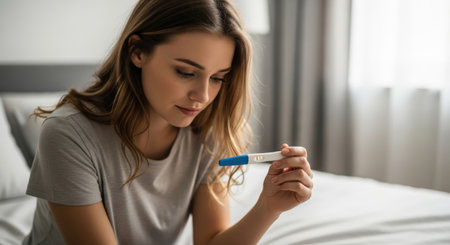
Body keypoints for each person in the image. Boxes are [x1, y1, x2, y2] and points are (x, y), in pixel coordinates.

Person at [23, 0, 314, 244]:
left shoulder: (206, 133)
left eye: (217, 78)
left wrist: (268, 207)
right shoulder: (69, 134)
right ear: (137, 52)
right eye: (186, 72)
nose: (202, 96)